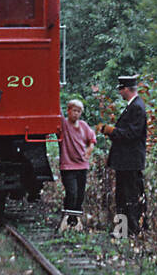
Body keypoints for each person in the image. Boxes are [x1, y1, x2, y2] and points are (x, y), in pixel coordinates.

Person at [98, 74, 147, 237]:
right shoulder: (132, 106)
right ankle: (124, 230)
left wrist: (112, 131)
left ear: (126, 89)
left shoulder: (137, 107)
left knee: (129, 195)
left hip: (130, 161)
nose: (120, 93)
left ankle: (131, 230)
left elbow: (132, 134)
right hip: (126, 161)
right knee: (123, 195)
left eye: (121, 90)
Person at [58, 98, 96, 216]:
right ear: (68, 111)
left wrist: (90, 149)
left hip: (82, 165)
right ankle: (68, 218)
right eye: (74, 110)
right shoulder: (63, 125)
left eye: (79, 111)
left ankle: (76, 221)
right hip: (68, 166)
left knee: (80, 195)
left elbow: (92, 139)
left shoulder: (84, 125)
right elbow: (57, 112)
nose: (76, 114)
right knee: (72, 193)